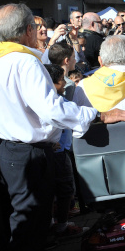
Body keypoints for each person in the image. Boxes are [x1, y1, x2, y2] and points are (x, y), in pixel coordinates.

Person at [0, 4, 125, 251]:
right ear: (28, 31)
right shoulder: (23, 62)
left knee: (29, 226)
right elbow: (51, 108)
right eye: (35, 27)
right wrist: (96, 115)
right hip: (26, 154)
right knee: (28, 227)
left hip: (12, 151)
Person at [43, 63, 84, 238]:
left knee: (61, 190)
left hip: (61, 150)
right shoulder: (50, 102)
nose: (64, 84)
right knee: (64, 189)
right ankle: (60, 226)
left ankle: (56, 224)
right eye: (61, 81)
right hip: (57, 154)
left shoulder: (59, 99)